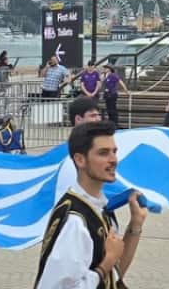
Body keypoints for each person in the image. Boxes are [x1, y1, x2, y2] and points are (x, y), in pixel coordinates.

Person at [34, 121, 148, 288]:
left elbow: (114, 276)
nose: (113, 160)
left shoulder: (98, 208)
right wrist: (108, 261)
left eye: (114, 152)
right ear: (80, 160)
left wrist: (135, 224)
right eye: (103, 153)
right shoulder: (75, 221)